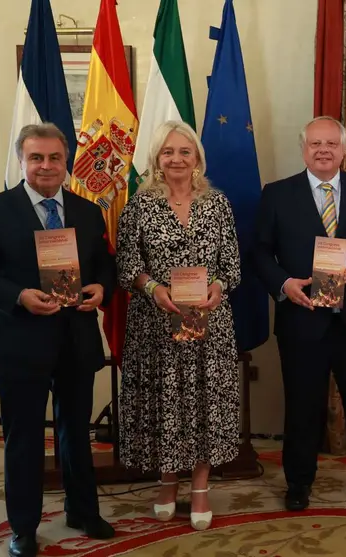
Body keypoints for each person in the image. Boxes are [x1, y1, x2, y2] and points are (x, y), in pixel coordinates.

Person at [0, 123, 117, 557]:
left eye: (54, 158)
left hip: (76, 340)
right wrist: (17, 296)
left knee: (75, 433)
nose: (46, 166)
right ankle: (24, 527)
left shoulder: (87, 211)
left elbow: (105, 265)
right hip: (21, 344)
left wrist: (101, 289)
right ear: (22, 160)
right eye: (36, 158)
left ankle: (83, 510)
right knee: (25, 439)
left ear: (66, 163)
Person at [254, 116, 346, 513]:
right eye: (315, 143)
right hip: (302, 320)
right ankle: (299, 483)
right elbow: (260, 251)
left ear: (344, 150)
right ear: (303, 149)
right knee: (302, 407)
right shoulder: (277, 194)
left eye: (331, 144)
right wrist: (284, 285)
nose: (323, 150)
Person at [115, 120, 242, 531]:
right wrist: (154, 289)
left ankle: (201, 486)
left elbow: (232, 265)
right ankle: (167, 480)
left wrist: (219, 288)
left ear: (197, 159)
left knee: (205, 403)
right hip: (156, 325)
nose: (176, 159)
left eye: (185, 152)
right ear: (156, 159)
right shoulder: (140, 204)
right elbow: (127, 264)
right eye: (168, 152)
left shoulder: (217, 203)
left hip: (209, 323)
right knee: (166, 403)